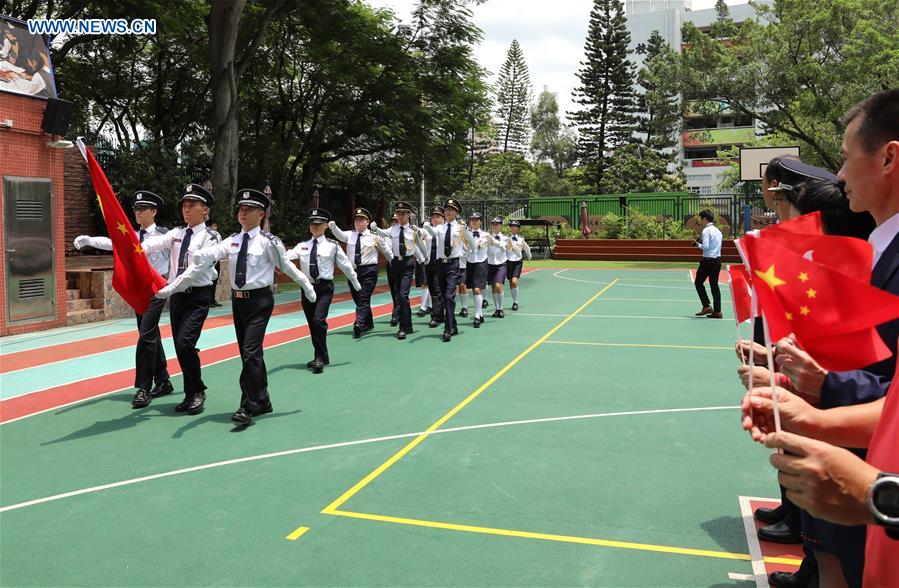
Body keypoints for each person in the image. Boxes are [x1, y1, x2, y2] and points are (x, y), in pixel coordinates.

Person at [744, 88, 899, 587]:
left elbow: (885, 381)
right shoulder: (884, 251)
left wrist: (881, 494)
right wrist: (814, 402)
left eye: (847, 157)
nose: (839, 174)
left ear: (889, 157)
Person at [154, 189, 317, 426]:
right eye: (241, 209)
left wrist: (306, 286)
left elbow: (287, 267)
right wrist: (200, 254)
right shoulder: (233, 240)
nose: (243, 213)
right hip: (239, 301)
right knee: (249, 353)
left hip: (259, 301)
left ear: (261, 214)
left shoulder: (268, 242)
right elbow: (216, 251)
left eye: (249, 210)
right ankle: (262, 399)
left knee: (250, 351)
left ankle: (248, 405)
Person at [73, 190, 173, 407]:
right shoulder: (132, 234)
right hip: (139, 291)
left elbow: (180, 255)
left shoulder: (165, 236)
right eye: (135, 209)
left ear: (153, 212)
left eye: (142, 209)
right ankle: (163, 380)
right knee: (150, 335)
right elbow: (113, 243)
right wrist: (90, 240)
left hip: (157, 290)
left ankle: (144, 387)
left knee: (146, 335)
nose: (137, 212)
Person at [133, 184, 221, 414]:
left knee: (185, 343)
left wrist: (170, 287)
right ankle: (190, 392)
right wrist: (133, 249)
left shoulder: (210, 237)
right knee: (180, 346)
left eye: (192, 205)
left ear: (205, 210)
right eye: (184, 205)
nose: (186, 209)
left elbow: (196, 270)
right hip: (178, 298)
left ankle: (197, 391)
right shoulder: (177, 234)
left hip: (197, 296)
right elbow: (151, 244)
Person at [287, 208, 361, 373]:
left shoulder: (332, 246)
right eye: (312, 223)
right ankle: (321, 355)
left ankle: (320, 358)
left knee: (319, 321)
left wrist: (355, 281)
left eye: (318, 224)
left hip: (324, 288)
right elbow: (287, 256)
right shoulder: (303, 246)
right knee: (312, 324)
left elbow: (345, 265)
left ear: (326, 225)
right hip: (307, 288)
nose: (314, 226)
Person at [328, 208, 394, 338]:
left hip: (369, 270)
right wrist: (333, 228)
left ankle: (359, 322)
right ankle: (368, 322)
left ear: (368, 221)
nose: (358, 223)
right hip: (353, 271)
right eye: (356, 220)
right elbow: (340, 235)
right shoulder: (350, 235)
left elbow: (386, 251)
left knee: (363, 297)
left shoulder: (375, 237)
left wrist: (393, 264)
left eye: (361, 220)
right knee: (358, 298)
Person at [371, 202, 418, 339]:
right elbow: (383, 233)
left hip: (408, 263)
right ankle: (408, 324)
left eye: (403, 213)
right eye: (398, 213)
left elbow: (419, 245)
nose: (400, 216)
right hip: (396, 263)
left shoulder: (414, 230)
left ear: (408, 214)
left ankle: (402, 327)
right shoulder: (393, 229)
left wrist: (424, 258)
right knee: (400, 296)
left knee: (403, 295)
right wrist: (375, 228)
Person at [423, 198, 466, 342]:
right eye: (446, 210)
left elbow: (469, 241)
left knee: (449, 296)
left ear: (457, 213)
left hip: (453, 264)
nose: (448, 212)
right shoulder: (440, 227)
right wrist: (426, 227)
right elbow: (431, 232)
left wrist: (470, 254)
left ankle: (448, 329)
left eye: (451, 210)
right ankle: (453, 325)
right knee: (443, 295)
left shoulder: (460, 228)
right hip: (440, 264)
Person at [693, 210, 723, 319]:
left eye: (701, 218)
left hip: (707, 261)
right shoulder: (718, 231)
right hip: (717, 260)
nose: (701, 221)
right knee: (714, 285)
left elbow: (705, 246)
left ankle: (706, 306)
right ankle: (718, 311)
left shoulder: (706, 231)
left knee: (698, 282)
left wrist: (698, 244)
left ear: (705, 219)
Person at [463, 212, 490, 327]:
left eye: (476, 219)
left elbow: (483, 246)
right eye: (472, 219)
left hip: (481, 262)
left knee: (478, 288)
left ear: (480, 221)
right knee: (474, 289)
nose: (473, 221)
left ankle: (477, 316)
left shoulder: (485, 235)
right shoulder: (465, 234)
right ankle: (480, 314)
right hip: (470, 262)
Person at [420, 206, 446, 328]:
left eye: (438, 216)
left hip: (442, 262)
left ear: (443, 218)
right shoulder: (427, 230)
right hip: (430, 262)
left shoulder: (445, 229)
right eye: (433, 216)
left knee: (441, 289)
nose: (435, 219)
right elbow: (419, 236)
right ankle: (438, 314)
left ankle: (438, 315)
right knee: (433, 289)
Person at [506, 220, 532, 311]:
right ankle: (514, 300)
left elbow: (526, 248)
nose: (513, 228)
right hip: (508, 261)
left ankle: (515, 302)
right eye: (511, 226)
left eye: (515, 226)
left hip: (517, 261)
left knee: (514, 281)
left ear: (518, 229)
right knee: (510, 281)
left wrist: (529, 256)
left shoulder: (521, 239)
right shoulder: (506, 238)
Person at [486, 217, 510, 318]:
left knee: (498, 285)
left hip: (501, 264)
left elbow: (503, 248)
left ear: (501, 226)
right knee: (493, 287)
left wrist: (494, 242)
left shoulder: (505, 238)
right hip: (490, 263)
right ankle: (496, 309)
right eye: (493, 224)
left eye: (497, 224)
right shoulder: (486, 237)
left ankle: (500, 309)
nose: (495, 226)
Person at [207, 220, 222, 307]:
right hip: (209, 261)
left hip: (217, 260)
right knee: (209, 281)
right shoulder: (205, 235)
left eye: (216, 225)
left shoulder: (218, 235)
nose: (215, 227)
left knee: (215, 281)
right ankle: (208, 301)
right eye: (214, 225)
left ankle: (212, 299)